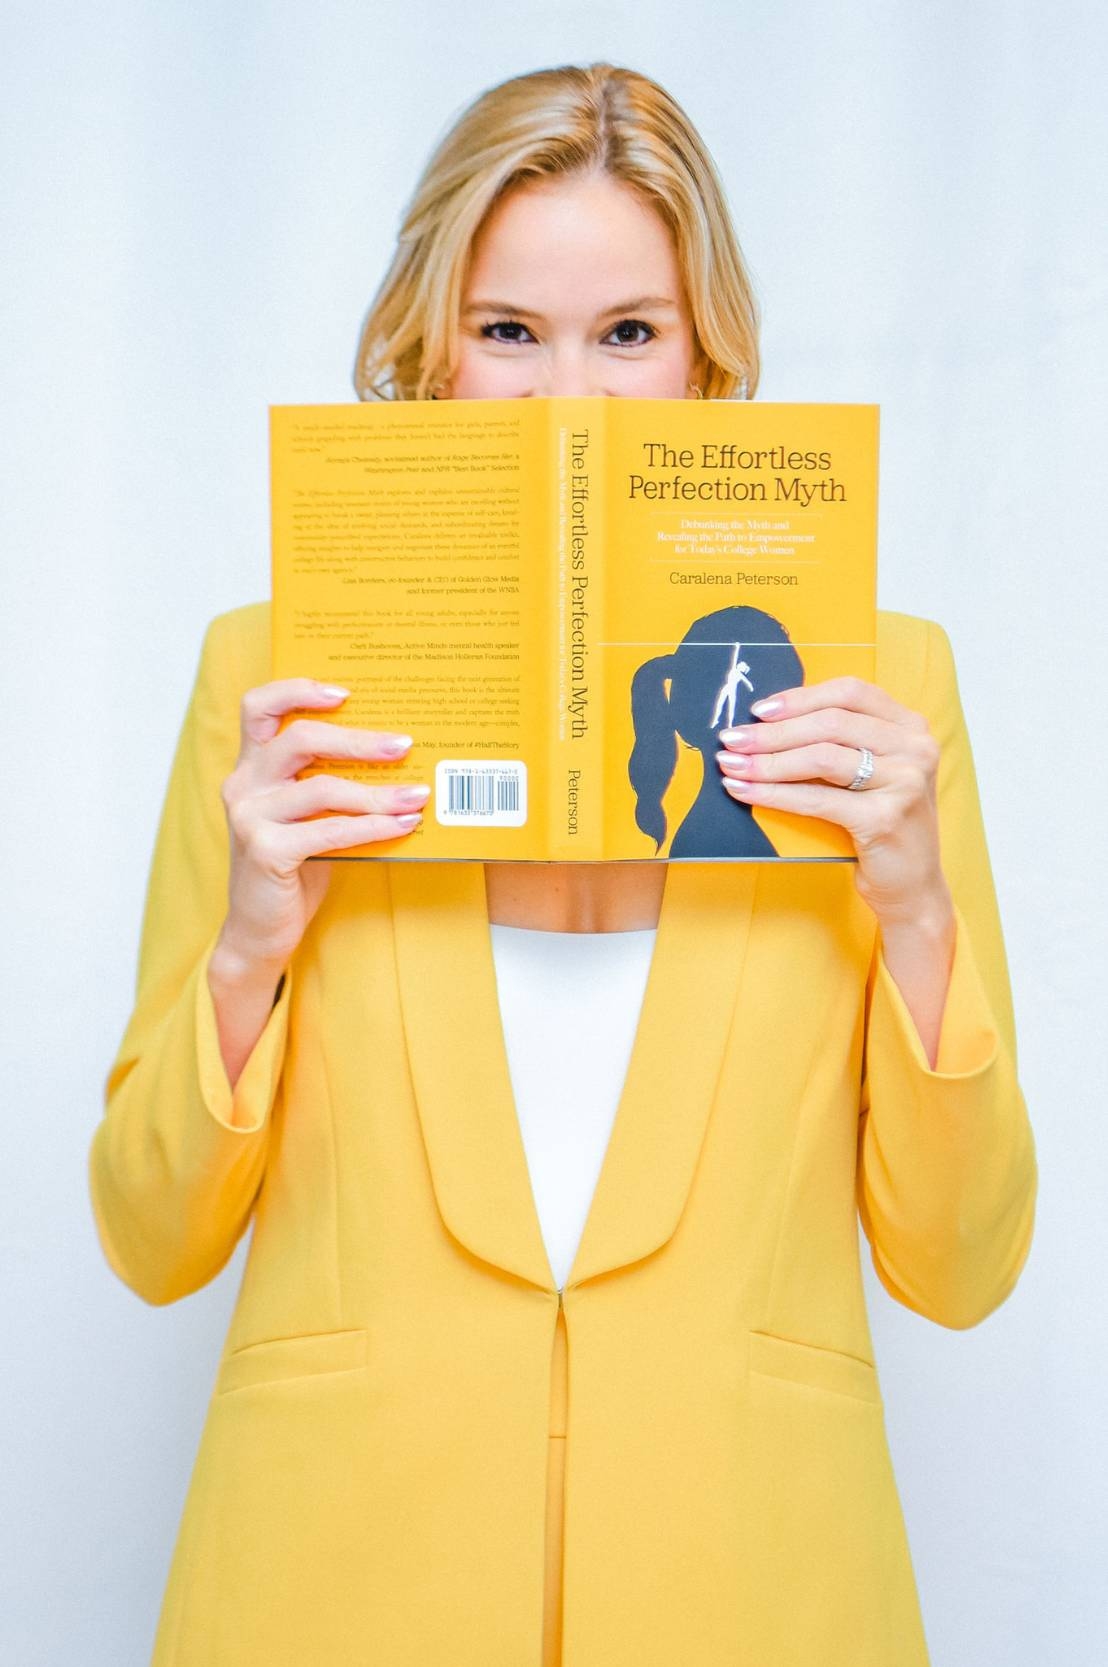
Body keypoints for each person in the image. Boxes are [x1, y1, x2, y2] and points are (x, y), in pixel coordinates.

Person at [89, 62, 1038, 1667]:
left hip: (752, 1576)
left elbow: (963, 1266)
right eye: (509, 330)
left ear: (706, 358)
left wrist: (918, 911)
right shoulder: (272, 679)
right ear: (429, 349)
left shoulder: (880, 689)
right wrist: (250, 950)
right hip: (335, 1578)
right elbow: (147, 1235)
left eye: (628, 333)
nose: (569, 403)